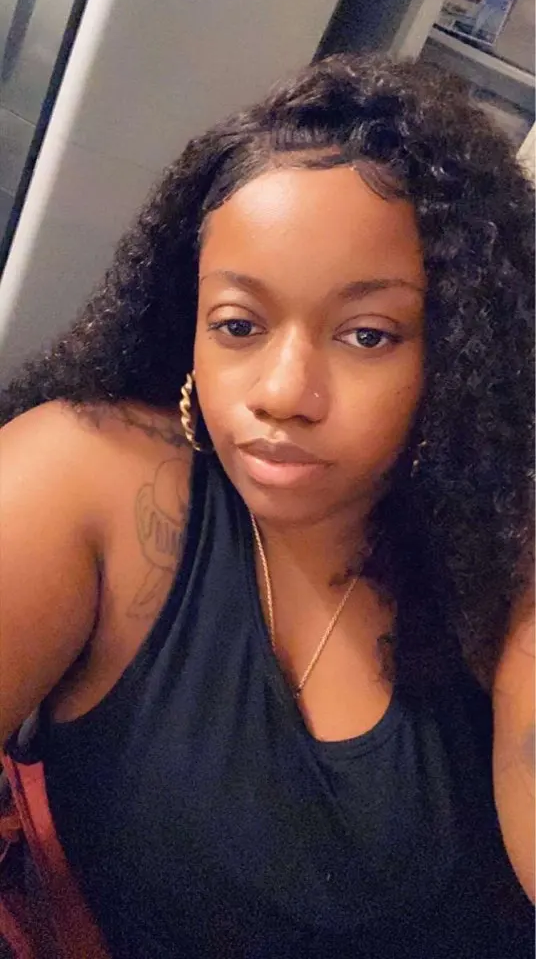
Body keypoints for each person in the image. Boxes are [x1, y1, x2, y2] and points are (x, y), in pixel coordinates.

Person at [0, 53, 534, 958]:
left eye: (367, 335)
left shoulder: (502, 556)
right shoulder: (88, 480)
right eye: (239, 326)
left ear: (457, 355)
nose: (284, 392)